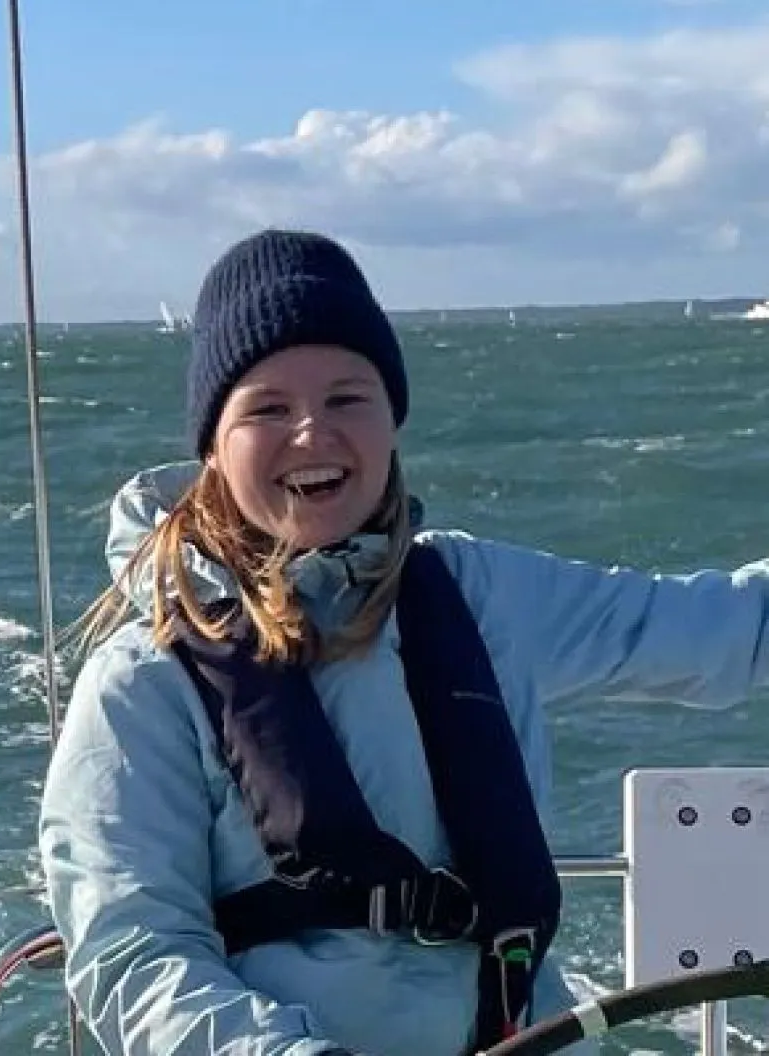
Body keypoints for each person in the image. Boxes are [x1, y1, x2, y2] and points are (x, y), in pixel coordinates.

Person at [39, 228, 769, 1056]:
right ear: (212, 444)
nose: (312, 432)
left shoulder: (482, 596)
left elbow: (726, 631)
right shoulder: (143, 680)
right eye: (267, 408)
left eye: (347, 397)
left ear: (393, 420)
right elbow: (133, 952)